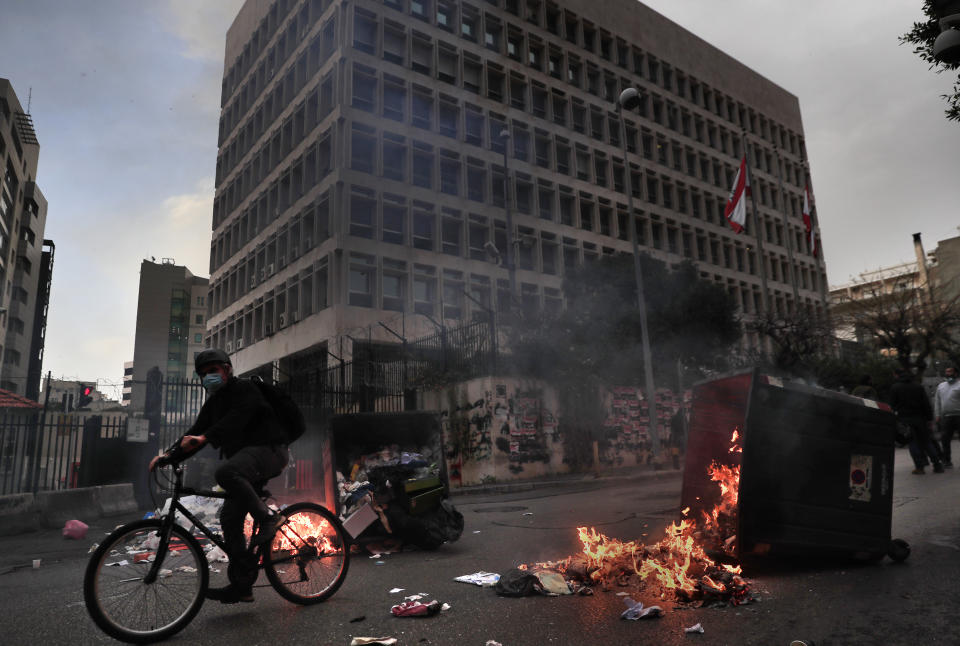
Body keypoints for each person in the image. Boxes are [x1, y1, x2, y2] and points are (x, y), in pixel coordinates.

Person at [149, 348, 290, 603]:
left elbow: (239, 417)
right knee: (229, 517)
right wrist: (169, 456)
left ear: (227, 369)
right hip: (248, 463)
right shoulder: (214, 403)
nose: (208, 378)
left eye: (212, 371)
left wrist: (207, 437)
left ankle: (269, 518)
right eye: (203, 375)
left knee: (226, 472)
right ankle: (242, 583)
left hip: (270, 451)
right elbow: (196, 432)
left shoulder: (246, 389)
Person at [888, 367, 943, 474]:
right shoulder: (918, 386)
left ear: (896, 375)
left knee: (913, 443)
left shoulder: (895, 387)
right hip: (920, 419)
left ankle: (920, 467)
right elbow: (926, 404)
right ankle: (937, 465)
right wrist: (929, 419)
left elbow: (892, 406)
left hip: (905, 420)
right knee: (927, 442)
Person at [934, 365, 960, 468]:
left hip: (959, 416)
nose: (948, 374)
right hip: (946, 417)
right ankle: (947, 461)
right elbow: (937, 401)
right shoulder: (941, 386)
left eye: (950, 372)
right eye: (947, 372)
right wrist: (937, 414)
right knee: (945, 439)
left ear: (956, 373)